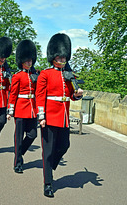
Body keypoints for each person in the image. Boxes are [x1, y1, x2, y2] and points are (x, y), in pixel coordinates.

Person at [36, 33, 83, 198]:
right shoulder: (45, 74)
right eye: (60, 57)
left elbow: (70, 95)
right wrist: (41, 116)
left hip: (63, 117)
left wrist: (77, 94)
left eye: (64, 57)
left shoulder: (69, 74)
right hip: (49, 117)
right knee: (47, 152)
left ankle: (49, 167)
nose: (63, 60)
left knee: (64, 146)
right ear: (53, 56)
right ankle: (48, 183)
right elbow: (40, 96)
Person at [7, 39, 38, 174]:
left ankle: (20, 153)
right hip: (20, 109)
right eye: (26, 61)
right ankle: (17, 162)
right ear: (22, 62)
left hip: (32, 109)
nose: (29, 62)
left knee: (32, 135)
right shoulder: (17, 76)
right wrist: (10, 109)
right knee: (18, 137)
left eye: (30, 60)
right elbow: (13, 94)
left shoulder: (36, 75)